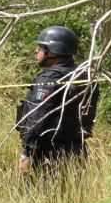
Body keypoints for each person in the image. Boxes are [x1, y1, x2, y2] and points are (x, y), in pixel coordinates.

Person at [16, 24, 97, 173]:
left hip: (47, 154)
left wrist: (27, 153)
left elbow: (37, 119)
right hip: (77, 151)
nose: (36, 51)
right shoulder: (86, 76)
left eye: (41, 48)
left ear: (53, 51)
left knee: (40, 188)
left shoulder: (49, 79)